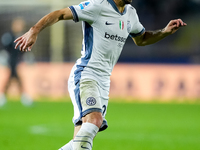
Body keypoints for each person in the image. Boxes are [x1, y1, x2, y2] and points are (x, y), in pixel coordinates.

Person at [14, 0, 187, 149]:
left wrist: (164, 31)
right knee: (94, 120)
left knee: (81, 139)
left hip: (104, 81)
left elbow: (141, 39)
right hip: (86, 75)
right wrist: (34, 30)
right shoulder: (97, 6)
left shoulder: (131, 14)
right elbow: (60, 13)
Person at [0, 17, 34, 107]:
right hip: (10, 61)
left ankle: (3, 97)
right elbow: (4, 48)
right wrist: (3, 57)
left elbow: (23, 50)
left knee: (12, 78)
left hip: (16, 61)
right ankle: (24, 97)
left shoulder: (21, 36)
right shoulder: (8, 36)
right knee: (15, 78)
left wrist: (27, 56)